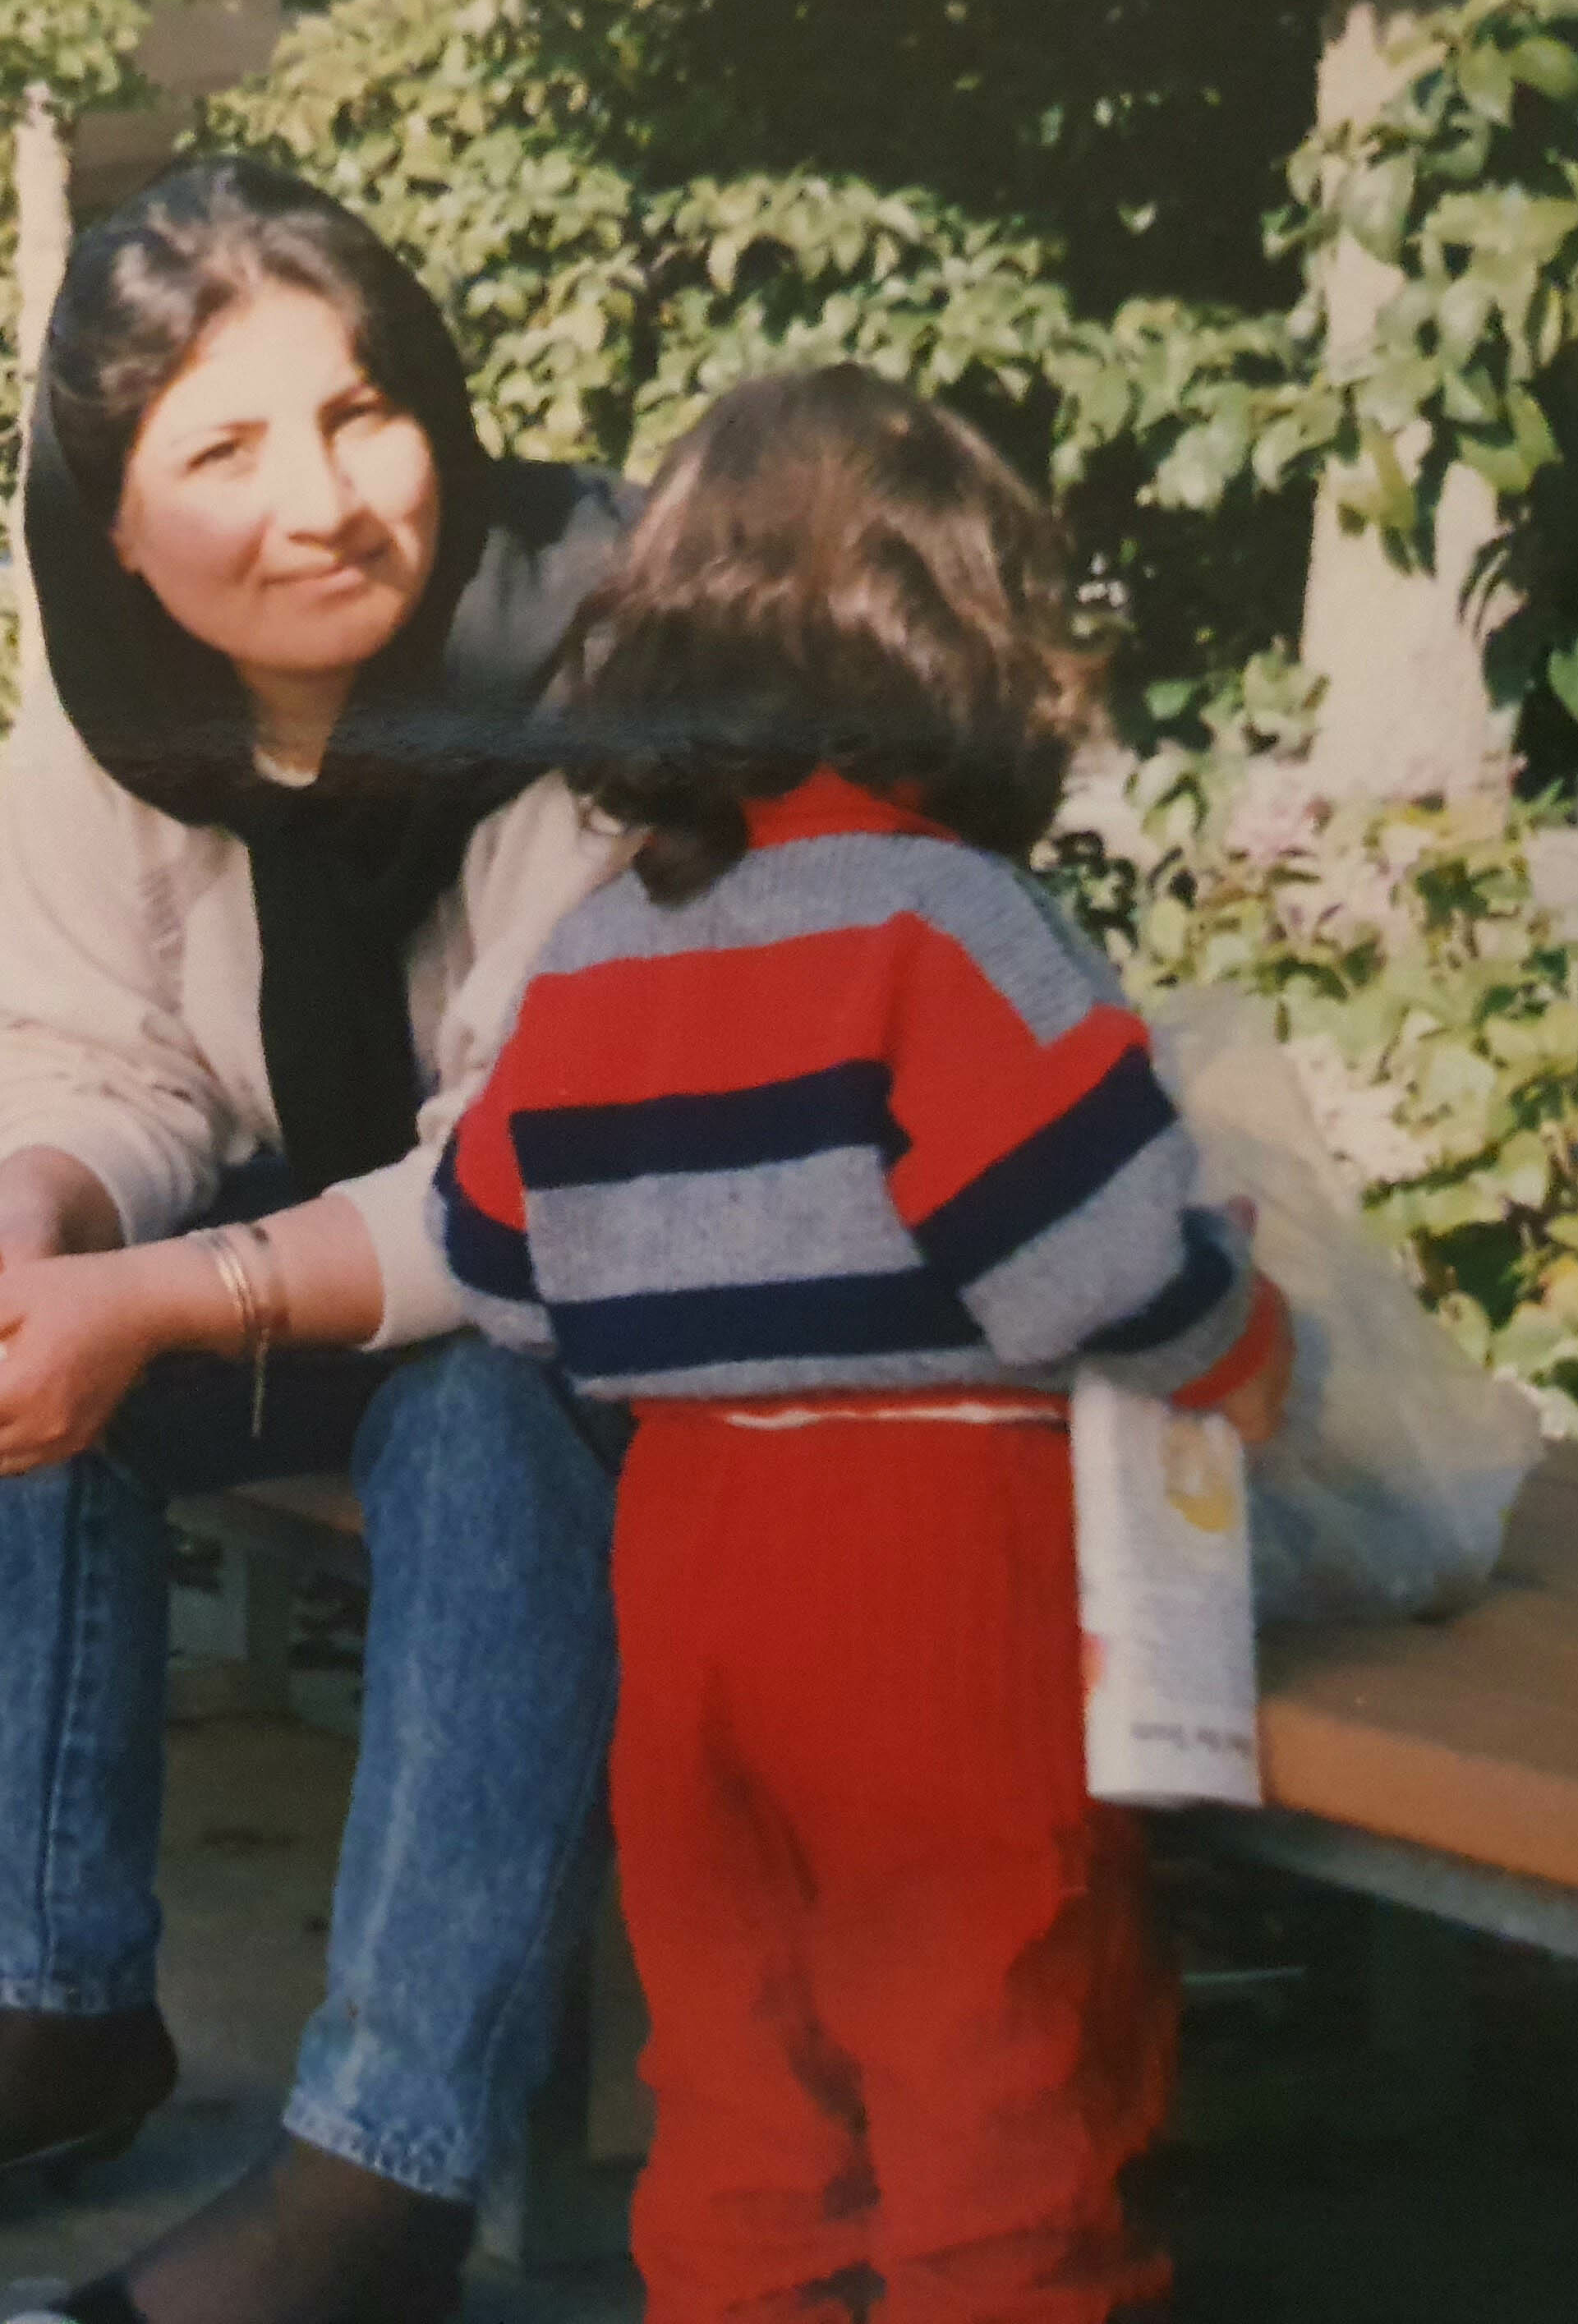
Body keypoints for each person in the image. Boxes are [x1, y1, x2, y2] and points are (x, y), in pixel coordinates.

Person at [0, 159, 638, 2324]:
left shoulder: (597, 659)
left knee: (484, 1412)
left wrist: (156, 1293)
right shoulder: (118, 684)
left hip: (690, 1295)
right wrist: (43, 1228)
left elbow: (548, 1192)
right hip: (371, 1231)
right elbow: (92, 1043)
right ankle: (57, 2016)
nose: (320, 502)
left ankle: (385, 2172)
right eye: (222, 450)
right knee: (11, 1356)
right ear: (117, 516)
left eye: (363, 414)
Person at [435, 366, 1295, 2324]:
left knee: (740, 2085)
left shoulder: (599, 953)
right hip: (930, 1564)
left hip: (689, 1556)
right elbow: (1089, 1267)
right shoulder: (957, 926)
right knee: (989, 2068)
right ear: (975, 650)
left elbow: (496, 1261)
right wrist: (1235, 1328)